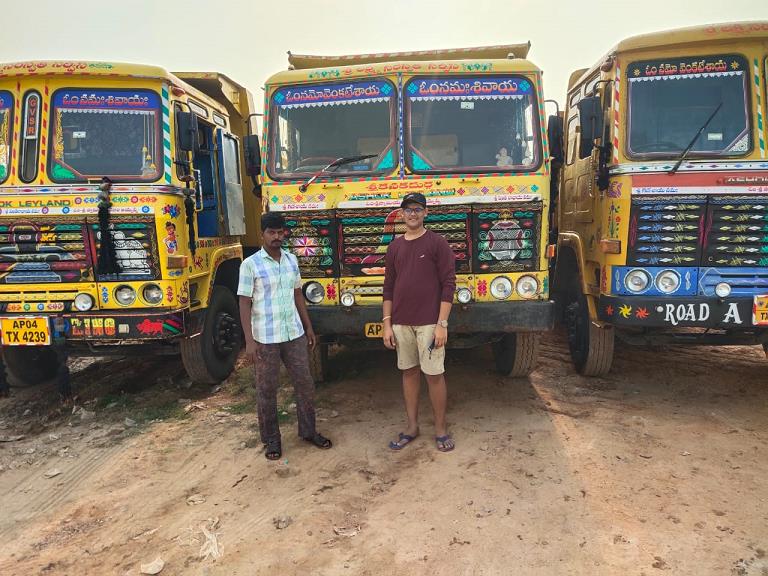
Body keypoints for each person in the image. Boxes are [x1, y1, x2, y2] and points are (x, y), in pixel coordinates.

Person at [238, 212, 332, 460]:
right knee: (267, 390)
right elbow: (244, 303)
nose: (277, 237)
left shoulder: (291, 260)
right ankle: (271, 440)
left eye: (280, 233)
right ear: (262, 234)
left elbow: (297, 294)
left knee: (305, 384)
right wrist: (249, 341)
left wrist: (308, 327)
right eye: (272, 232)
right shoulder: (250, 265)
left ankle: (309, 431)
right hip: (265, 338)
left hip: (294, 333)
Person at [382, 192, 456, 452]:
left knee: (434, 375)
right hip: (401, 323)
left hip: (429, 323)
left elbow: (448, 284)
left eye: (417, 209)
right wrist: (387, 323)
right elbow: (388, 286)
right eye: (407, 210)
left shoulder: (437, 243)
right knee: (409, 372)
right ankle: (412, 427)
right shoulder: (394, 247)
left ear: (426, 213)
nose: (412, 214)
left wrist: (442, 324)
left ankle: (440, 429)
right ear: (401, 214)